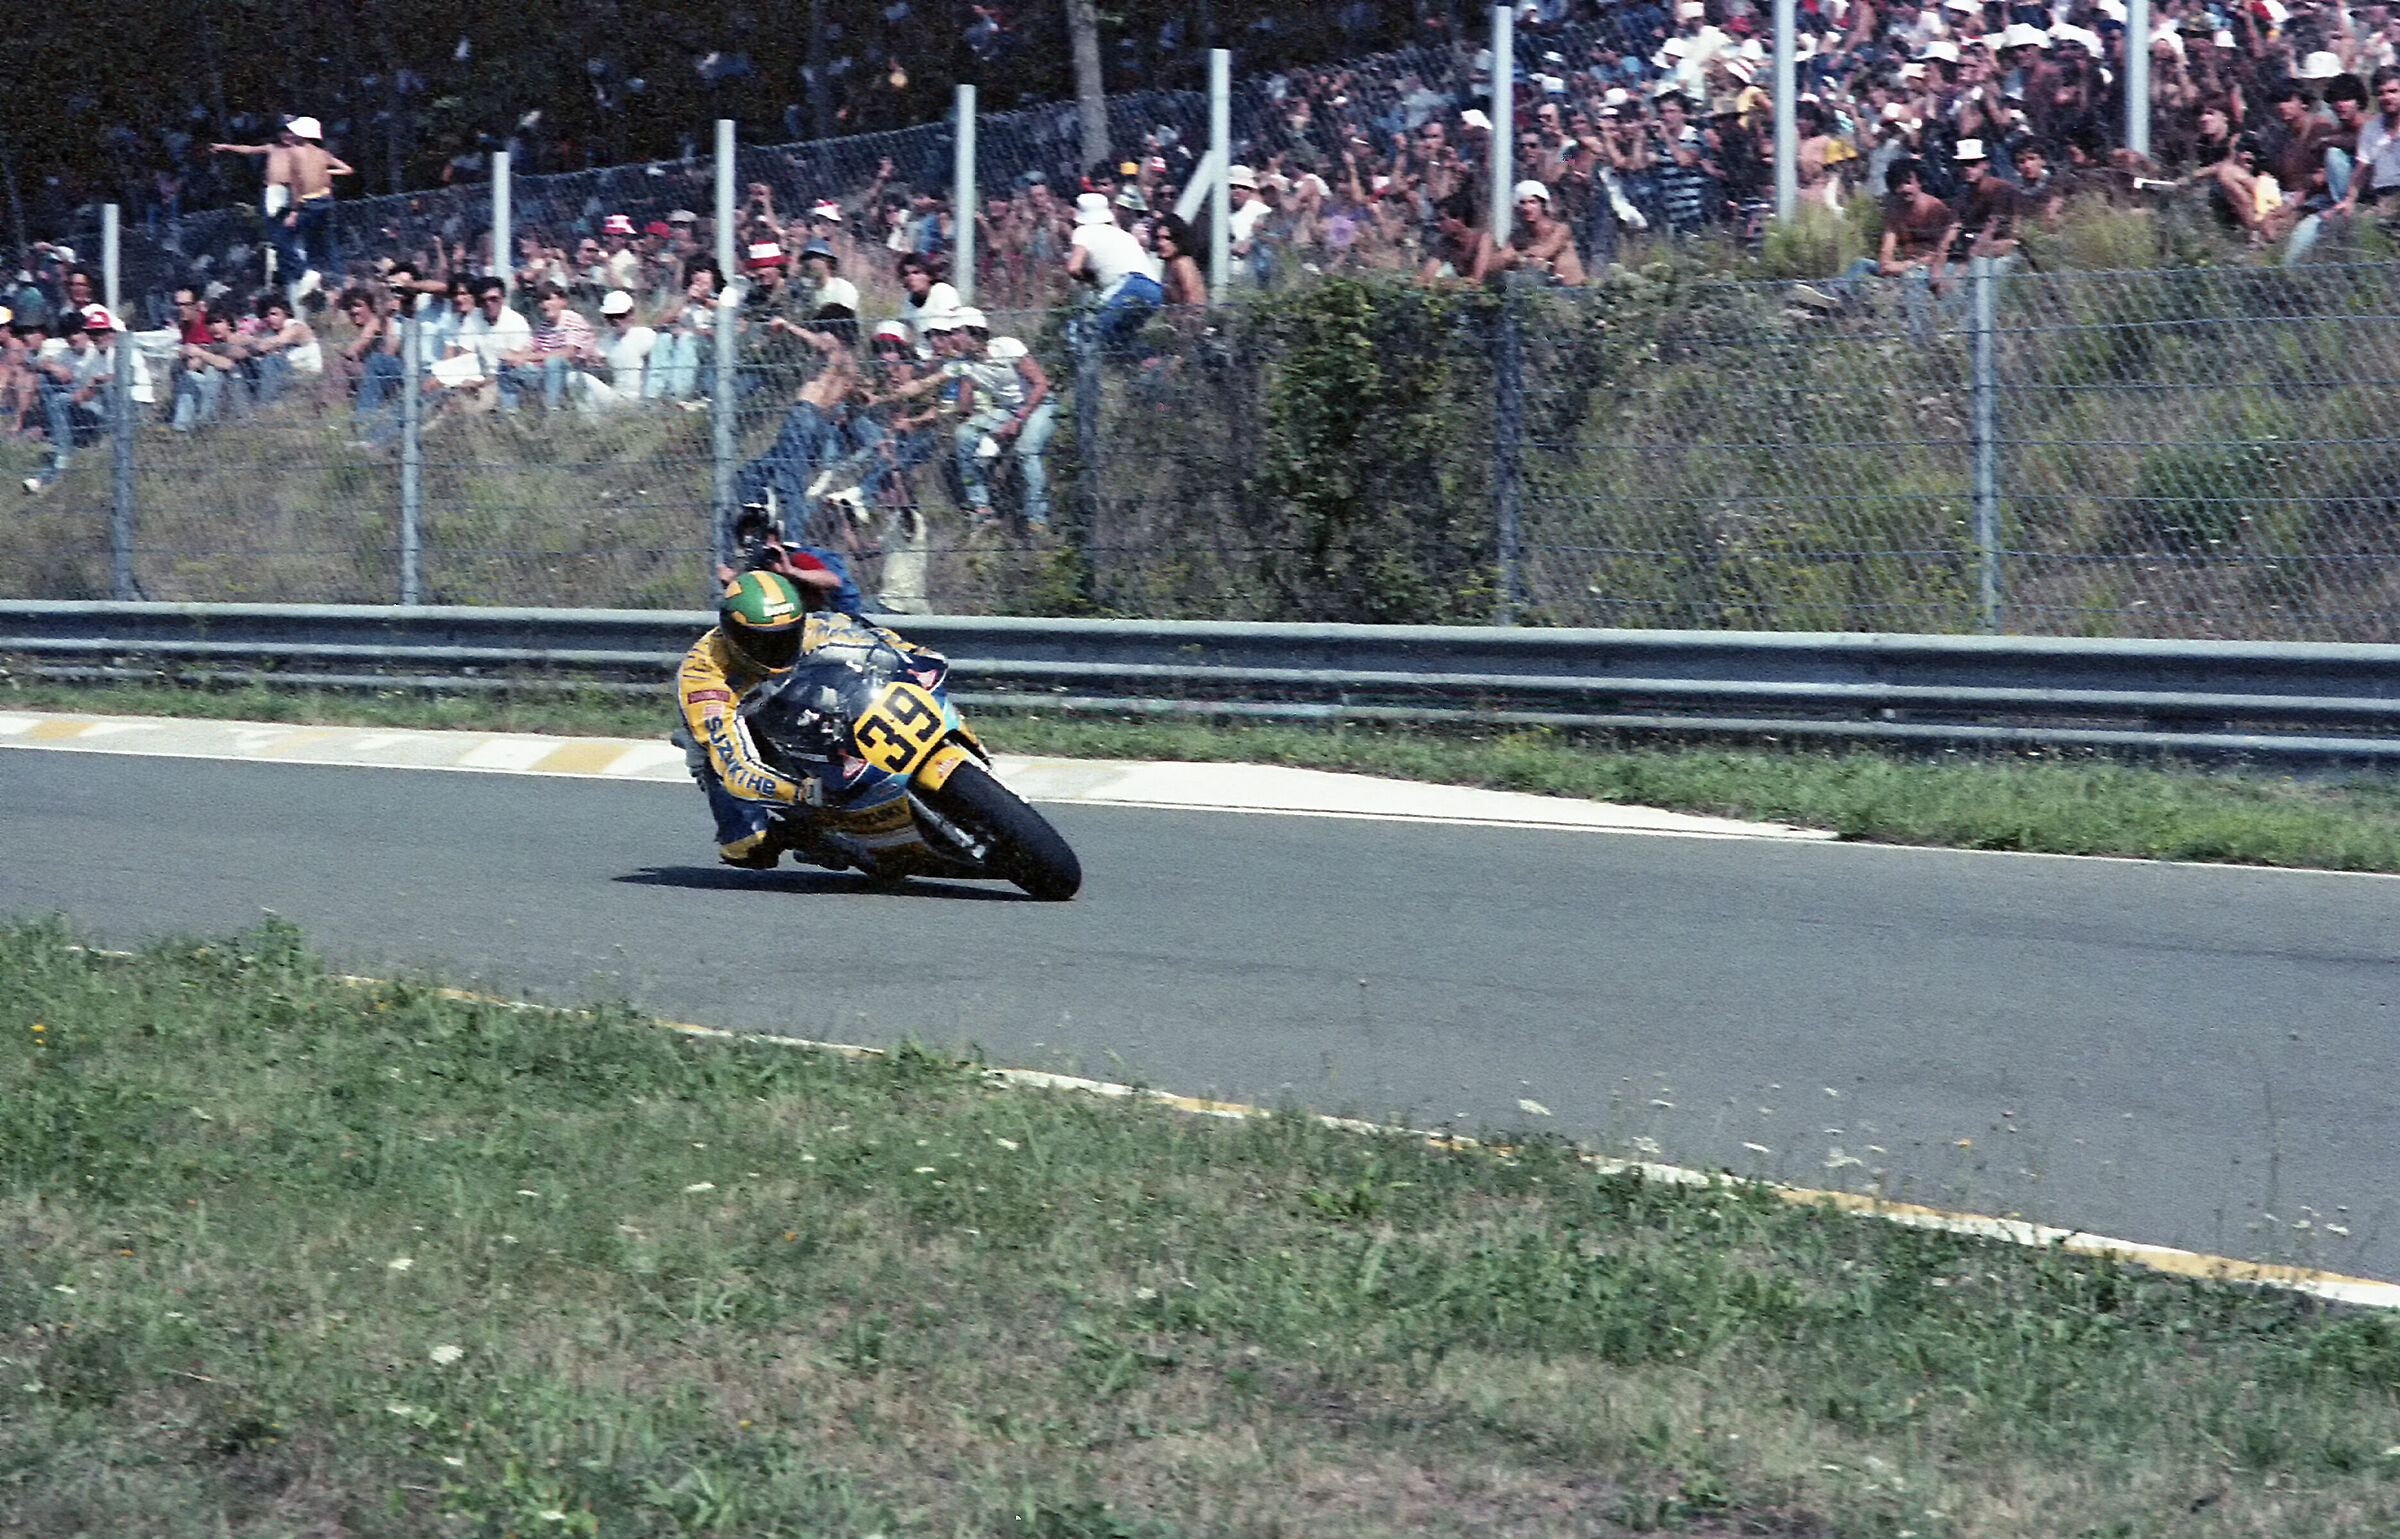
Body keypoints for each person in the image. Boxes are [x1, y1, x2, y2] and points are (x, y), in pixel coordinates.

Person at [209, 116, 351, 296]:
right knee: (279, 237)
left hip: (295, 194)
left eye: (289, 131)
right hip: (275, 193)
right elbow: (249, 150)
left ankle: (311, 275)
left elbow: (303, 177)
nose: (286, 135)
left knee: (295, 236)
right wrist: (226, 147)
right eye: (283, 131)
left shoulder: (303, 151)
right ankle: (298, 275)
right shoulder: (273, 148)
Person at [947, 305, 1056, 531]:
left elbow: (1041, 384)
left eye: (956, 332)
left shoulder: (1007, 346)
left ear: (973, 331)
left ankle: (1037, 517)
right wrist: (963, 379)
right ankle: (981, 507)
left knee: (1027, 449)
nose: (951, 338)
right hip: (1009, 409)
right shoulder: (966, 364)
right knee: (965, 435)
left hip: (1040, 404)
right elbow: (964, 407)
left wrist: (1017, 419)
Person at [1066, 191, 1164, 349]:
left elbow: (1073, 267)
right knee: (1119, 339)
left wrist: (1089, 279)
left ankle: (1083, 374)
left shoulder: (1083, 232)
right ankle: (1153, 363)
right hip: (1154, 290)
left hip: (1129, 286)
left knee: (1083, 330)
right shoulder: (1123, 235)